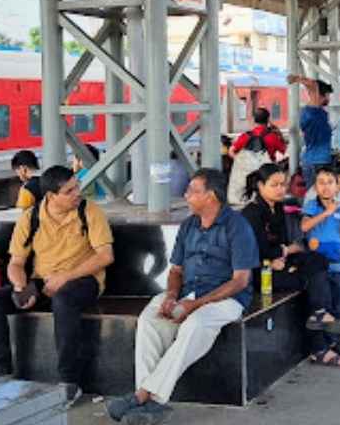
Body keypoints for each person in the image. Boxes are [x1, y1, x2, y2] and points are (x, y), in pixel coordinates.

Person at [107, 170, 257, 425]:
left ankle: (144, 396)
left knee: (195, 325)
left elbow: (241, 280)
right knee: (149, 319)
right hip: (187, 292)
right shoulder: (189, 225)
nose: (186, 195)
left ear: (210, 196)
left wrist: (195, 305)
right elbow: (176, 270)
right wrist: (172, 296)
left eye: (192, 190)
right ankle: (150, 402)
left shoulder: (237, 226)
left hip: (226, 299)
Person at [0, 166, 115, 408]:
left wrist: (66, 276)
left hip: (84, 280)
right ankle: (2, 376)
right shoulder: (30, 217)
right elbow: (16, 263)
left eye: (77, 187)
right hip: (42, 281)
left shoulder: (90, 211)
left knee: (63, 300)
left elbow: (105, 256)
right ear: (51, 196)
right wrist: (22, 287)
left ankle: (69, 381)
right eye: (70, 190)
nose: (78, 193)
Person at [241, 163, 340, 337]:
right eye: (274, 185)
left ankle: (322, 320)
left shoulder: (278, 208)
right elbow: (259, 249)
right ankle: (322, 340)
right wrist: (282, 253)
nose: (280, 189)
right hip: (261, 271)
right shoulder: (251, 213)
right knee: (315, 280)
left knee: (318, 260)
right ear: (260, 186)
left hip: (280, 260)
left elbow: (282, 244)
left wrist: (283, 253)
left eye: (283, 185)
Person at [297, 168, 340, 365]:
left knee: (336, 307)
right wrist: (326, 213)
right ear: (315, 187)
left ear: (337, 186)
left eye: (330, 182)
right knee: (324, 308)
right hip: (320, 264)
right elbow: (304, 226)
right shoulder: (312, 206)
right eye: (321, 182)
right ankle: (321, 346)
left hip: (337, 262)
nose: (326, 186)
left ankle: (334, 341)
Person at [228, 107, 288, 208]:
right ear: (268, 120)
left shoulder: (245, 136)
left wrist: (243, 162)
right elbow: (284, 152)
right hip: (266, 176)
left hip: (247, 177)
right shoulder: (272, 136)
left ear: (253, 120)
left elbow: (231, 151)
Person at [288, 75, 334, 187]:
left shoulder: (320, 112)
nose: (329, 99)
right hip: (315, 162)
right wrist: (298, 79)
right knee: (315, 197)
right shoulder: (312, 111)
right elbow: (314, 85)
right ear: (322, 95)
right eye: (328, 95)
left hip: (319, 160)